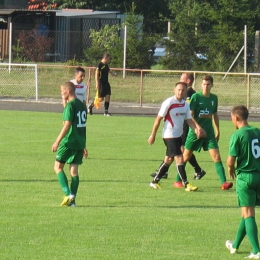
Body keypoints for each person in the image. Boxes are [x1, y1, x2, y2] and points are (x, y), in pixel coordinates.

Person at [174, 75, 233, 190]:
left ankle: (224, 182)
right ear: (201, 85)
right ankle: (177, 180)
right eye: (204, 84)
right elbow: (190, 115)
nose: (206, 86)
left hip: (209, 133)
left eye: (208, 84)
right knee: (186, 157)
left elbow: (214, 115)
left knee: (216, 156)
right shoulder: (196, 97)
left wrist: (218, 130)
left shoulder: (214, 98)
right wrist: (198, 128)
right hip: (195, 132)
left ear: (212, 85)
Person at [148, 82, 205, 191]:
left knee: (168, 160)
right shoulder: (168, 102)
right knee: (179, 158)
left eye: (183, 90)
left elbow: (189, 120)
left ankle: (154, 181)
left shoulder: (185, 105)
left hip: (178, 135)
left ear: (185, 92)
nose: (180, 92)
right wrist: (153, 135)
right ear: (174, 90)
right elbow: (158, 119)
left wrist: (196, 130)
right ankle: (186, 184)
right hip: (169, 135)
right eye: (178, 89)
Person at [226, 105, 260, 259]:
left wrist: (230, 168)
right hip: (258, 175)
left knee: (248, 214)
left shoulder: (237, 135)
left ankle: (256, 251)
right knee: (246, 213)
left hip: (245, 177)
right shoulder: (257, 132)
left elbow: (230, 160)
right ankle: (234, 246)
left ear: (236, 118)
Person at [52, 82, 88, 206]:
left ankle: (68, 194)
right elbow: (83, 126)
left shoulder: (70, 105)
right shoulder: (82, 105)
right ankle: (72, 202)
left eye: (62, 92)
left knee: (57, 167)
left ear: (68, 91)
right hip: (80, 141)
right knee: (74, 172)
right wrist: (84, 145)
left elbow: (67, 125)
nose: (61, 94)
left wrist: (57, 141)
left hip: (69, 141)